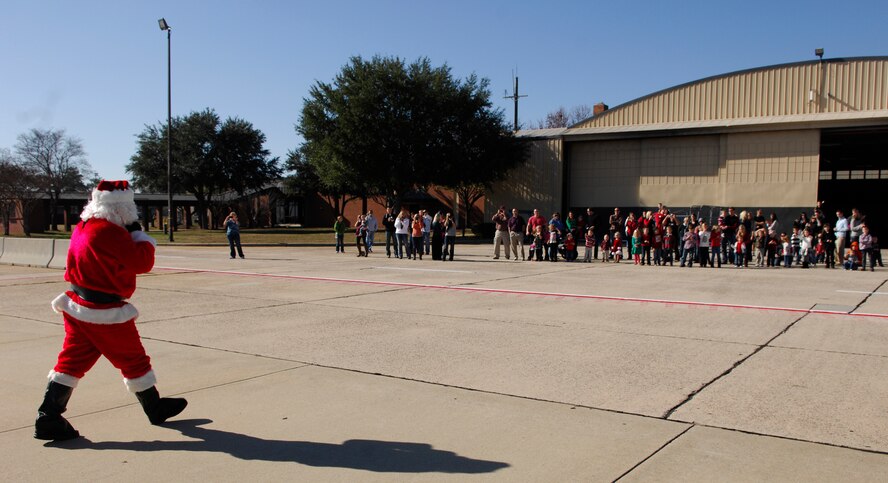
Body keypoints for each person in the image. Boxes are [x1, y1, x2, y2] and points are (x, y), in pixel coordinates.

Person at [36, 180, 186, 441]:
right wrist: (139, 235)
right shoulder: (109, 232)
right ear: (121, 208)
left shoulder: (83, 227)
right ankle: (154, 407)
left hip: (78, 305)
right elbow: (142, 262)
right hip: (103, 312)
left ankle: (48, 416)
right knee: (134, 359)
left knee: (71, 362)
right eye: (130, 207)